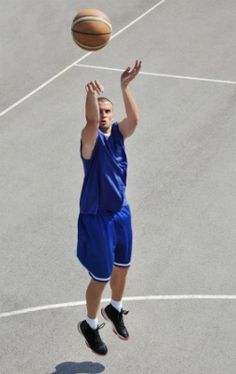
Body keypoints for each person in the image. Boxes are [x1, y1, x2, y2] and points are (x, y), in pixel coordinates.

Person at [77, 60, 142, 355]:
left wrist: (125, 87)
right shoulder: (90, 142)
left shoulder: (118, 135)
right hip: (97, 218)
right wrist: (91, 96)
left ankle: (114, 310)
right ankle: (90, 325)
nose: (103, 116)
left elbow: (134, 121)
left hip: (120, 213)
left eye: (107, 112)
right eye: (100, 112)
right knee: (101, 277)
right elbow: (90, 123)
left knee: (122, 269)